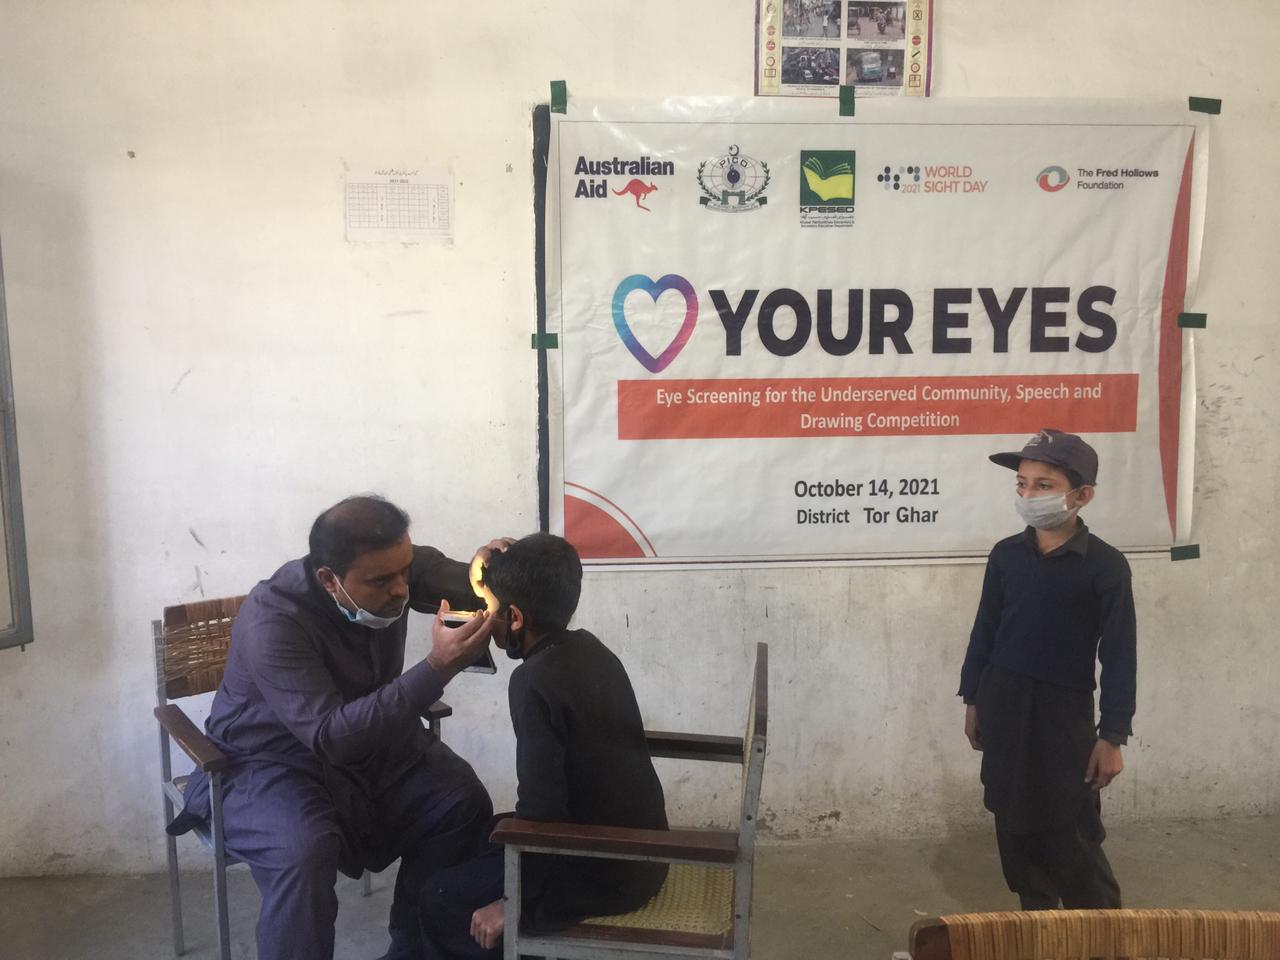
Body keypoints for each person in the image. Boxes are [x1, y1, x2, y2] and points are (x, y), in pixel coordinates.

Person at [166, 495, 508, 960]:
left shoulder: (393, 568)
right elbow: (330, 736)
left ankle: (415, 950)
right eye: (382, 581)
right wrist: (436, 668)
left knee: (458, 801)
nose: (401, 590)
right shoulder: (274, 619)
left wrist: (500, 568)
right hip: (268, 763)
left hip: (370, 746)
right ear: (329, 579)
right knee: (302, 851)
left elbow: (466, 581)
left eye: (405, 571)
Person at [417, 533, 669, 958]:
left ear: (514, 618)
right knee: (483, 835)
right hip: (637, 855)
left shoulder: (532, 681)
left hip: (603, 871)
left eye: (489, 609)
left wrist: (511, 904)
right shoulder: (591, 649)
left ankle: (514, 942)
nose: (483, 617)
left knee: (438, 897)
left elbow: (543, 810)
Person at [958, 429, 1134, 910]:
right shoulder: (1006, 555)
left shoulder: (1105, 567)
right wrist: (973, 698)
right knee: (1016, 836)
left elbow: (1119, 654)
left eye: (1043, 485)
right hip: (1004, 706)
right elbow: (985, 632)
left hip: (1063, 718)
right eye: (1022, 484)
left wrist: (1112, 736)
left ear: (1082, 496)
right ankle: (1038, 929)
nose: (1029, 495)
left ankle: (1103, 938)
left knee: (1070, 838)